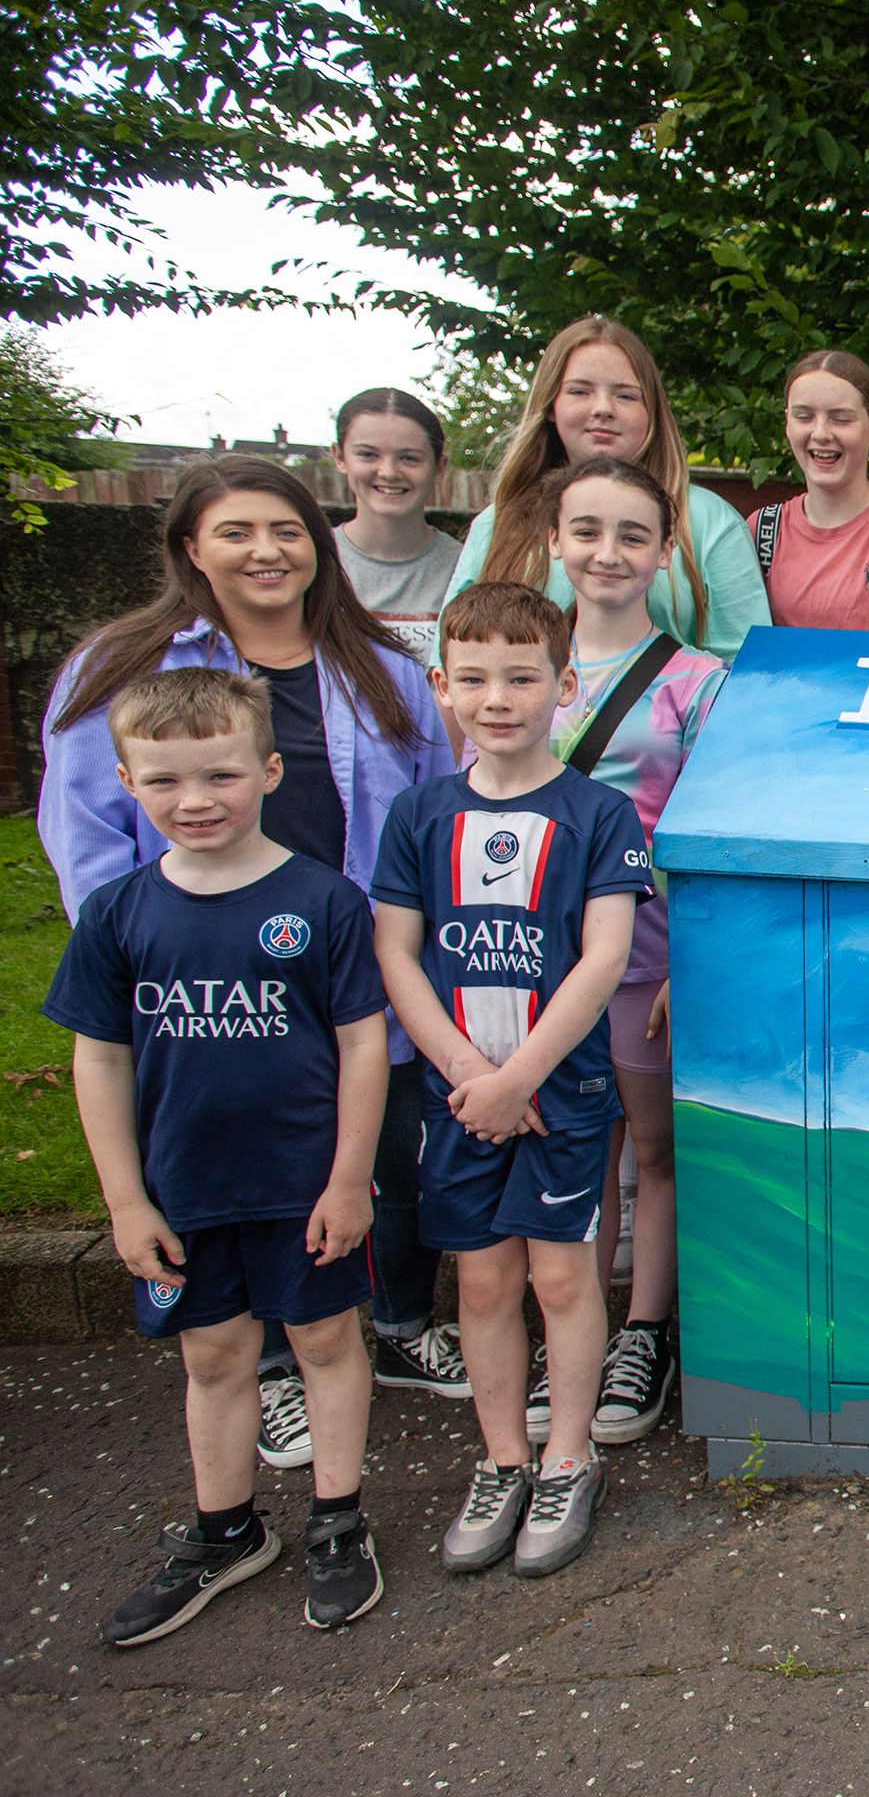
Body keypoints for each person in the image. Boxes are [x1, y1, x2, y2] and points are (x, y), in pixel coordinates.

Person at [40, 455, 464, 1473]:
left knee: (387, 1150)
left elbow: (431, 805)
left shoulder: (379, 664)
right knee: (241, 1167)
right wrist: (136, 953)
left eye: (286, 531)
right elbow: (85, 833)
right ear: (192, 547)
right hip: (209, 968)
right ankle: (273, 1365)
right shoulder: (123, 668)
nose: (266, 552)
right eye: (236, 532)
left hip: (355, 955)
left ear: (317, 546)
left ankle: (401, 1325)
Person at [48, 669, 391, 1642]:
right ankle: (226, 1530)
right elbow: (101, 1057)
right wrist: (125, 1202)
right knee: (216, 1357)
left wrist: (346, 1178)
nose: (195, 802)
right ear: (125, 780)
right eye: (164, 782)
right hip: (184, 1193)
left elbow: (364, 1044)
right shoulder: (118, 915)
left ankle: (336, 1519)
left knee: (325, 1343)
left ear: (270, 770)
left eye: (220, 776)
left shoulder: (322, 903)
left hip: (304, 1188)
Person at [373, 581, 652, 1577]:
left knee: (562, 1275)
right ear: (444, 686)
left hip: (560, 1096)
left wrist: (522, 1073)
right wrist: (469, 1075)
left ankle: (569, 1457)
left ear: (563, 685)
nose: (500, 697)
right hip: (460, 1098)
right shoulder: (417, 817)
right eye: (477, 677)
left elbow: (603, 957)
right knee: (483, 1282)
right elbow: (397, 957)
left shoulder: (599, 814)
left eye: (524, 676)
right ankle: (502, 1462)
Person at [540, 458, 726, 1444]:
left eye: (631, 535)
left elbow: (710, 824)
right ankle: (574, 1331)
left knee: (653, 1150)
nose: (608, 553)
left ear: (662, 552)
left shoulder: (698, 682)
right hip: (533, 956)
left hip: (648, 953)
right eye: (588, 531)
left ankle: (645, 1334)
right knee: (573, 1150)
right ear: (557, 540)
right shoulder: (523, 663)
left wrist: (692, 954)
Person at [446, 316, 771, 660]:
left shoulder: (710, 523)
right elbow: (449, 668)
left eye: (626, 395)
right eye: (580, 391)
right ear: (551, 405)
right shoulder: (498, 524)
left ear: (652, 411)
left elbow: (747, 670)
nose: (603, 409)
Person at [751, 350, 869, 632]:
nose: (821, 433)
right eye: (804, 417)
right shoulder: (761, 531)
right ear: (787, 422)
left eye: (841, 419)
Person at [331, 388, 463, 663]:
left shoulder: (468, 568)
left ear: (440, 467)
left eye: (410, 458)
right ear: (340, 457)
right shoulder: (313, 560)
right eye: (368, 455)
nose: (389, 472)